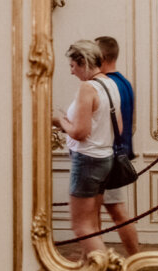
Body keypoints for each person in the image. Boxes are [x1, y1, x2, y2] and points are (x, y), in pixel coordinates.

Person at [51, 40, 140, 258]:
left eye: (72, 66)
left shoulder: (87, 88)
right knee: (91, 223)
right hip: (105, 159)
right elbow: (118, 127)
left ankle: (109, 265)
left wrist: (61, 121)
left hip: (87, 160)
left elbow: (80, 133)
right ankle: (92, 266)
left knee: (81, 227)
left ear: (82, 62)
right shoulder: (110, 84)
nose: (72, 72)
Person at [96, 36, 136, 210]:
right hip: (119, 154)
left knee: (116, 210)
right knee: (113, 209)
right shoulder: (125, 83)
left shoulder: (107, 84)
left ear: (102, 57)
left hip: (107, 156)